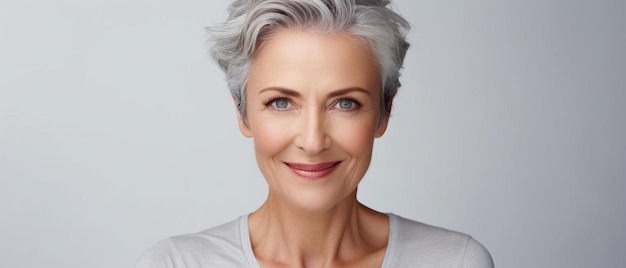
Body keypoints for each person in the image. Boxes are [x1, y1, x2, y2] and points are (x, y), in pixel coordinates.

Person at [136, 0, 493, 267]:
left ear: (385, 110)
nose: (312, 140)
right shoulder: (174, 264)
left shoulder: (456, 261)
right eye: (280, 103)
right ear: (242, 113)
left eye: (345, 104)